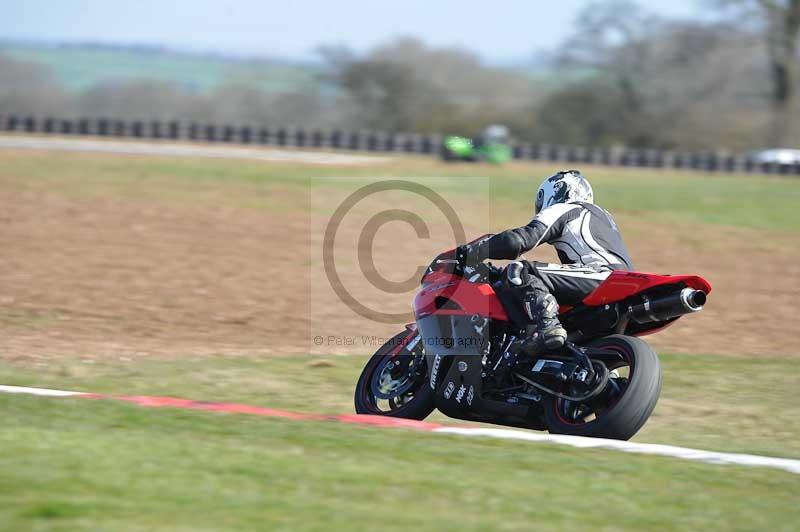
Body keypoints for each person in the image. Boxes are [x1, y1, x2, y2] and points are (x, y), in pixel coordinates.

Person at [456, 170, 633, 355]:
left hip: (601, 276)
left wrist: (473, 251)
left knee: (520, 270)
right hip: (622, 282)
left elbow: (519, 241)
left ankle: (548, 326)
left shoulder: (566, 208)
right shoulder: (604, 216)